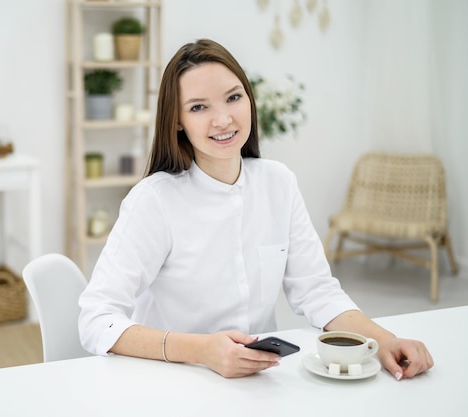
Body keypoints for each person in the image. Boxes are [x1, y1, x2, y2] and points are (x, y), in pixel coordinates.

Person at [78, 38, 434, 380]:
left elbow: (317, 291)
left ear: (249, 100)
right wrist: (202, 350)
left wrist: (383, 340)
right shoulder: (153, 201)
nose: (223, 119)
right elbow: (97, 319)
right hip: (172, 380)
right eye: (199, 107)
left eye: (233, 98)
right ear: (177, 121)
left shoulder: (278, 183)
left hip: (258, 382)